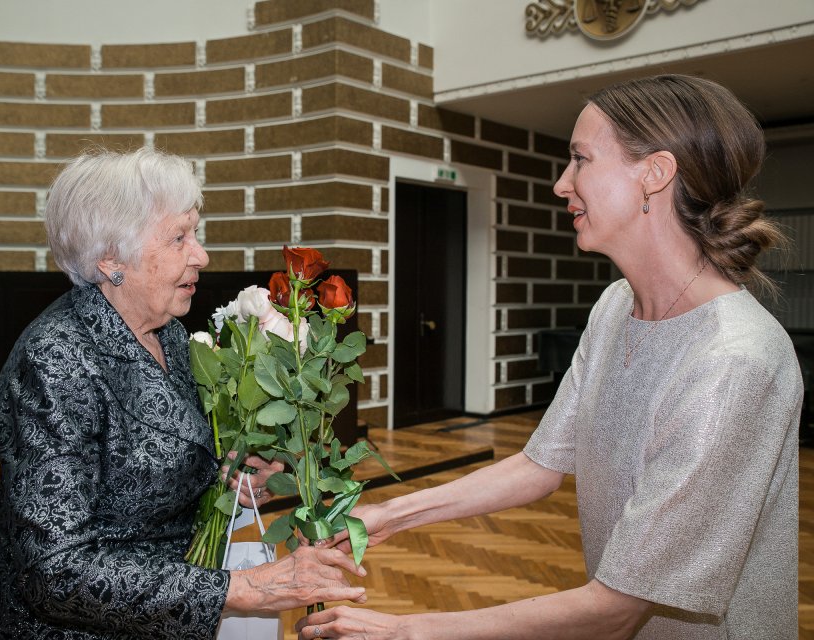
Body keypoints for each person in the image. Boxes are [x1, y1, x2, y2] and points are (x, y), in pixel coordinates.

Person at [297, 75, 800, 639]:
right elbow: (541, 466)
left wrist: (406, 632)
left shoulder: (734, 360)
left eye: (580, 159)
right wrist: (389, 515)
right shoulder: (616, 305)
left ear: (654, 175)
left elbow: (615, 609)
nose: (563, 184)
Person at [0, 147, 367, 639]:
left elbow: (151, 471)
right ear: (111, 258)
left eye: (194, 233)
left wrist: (230, 483)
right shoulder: (55, 361)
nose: (200, 255)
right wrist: (243, 590)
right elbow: (54, 571)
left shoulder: (168, 334)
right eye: (179, 237)